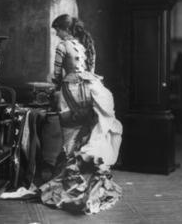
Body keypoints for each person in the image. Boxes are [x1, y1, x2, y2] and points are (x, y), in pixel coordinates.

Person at [39, 14, 123, 214]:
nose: (57, 34)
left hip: (70, 92)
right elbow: (90, 70)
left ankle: (70, 181)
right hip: (90, 90)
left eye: (57, 30)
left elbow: (57, 75)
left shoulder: (62, 46)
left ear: (65, 29)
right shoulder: (85, 45)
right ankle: (79, 177)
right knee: (84, 131)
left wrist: (55, 88)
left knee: (69, 130)